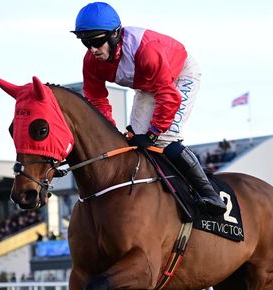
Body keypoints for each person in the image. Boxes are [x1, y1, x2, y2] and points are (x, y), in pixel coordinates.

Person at [71, 2, 226, 215]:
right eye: (86, 43)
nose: (93, 50)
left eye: (97, 41)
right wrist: (110, 129)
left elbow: (169, 97)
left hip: (179, 76)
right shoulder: (91, 61)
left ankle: (209, 194)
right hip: (148, 84)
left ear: (115, 34)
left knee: (165, 138)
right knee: (133, 141)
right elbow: (97, 98)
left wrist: (153, 134)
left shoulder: (146, 51)